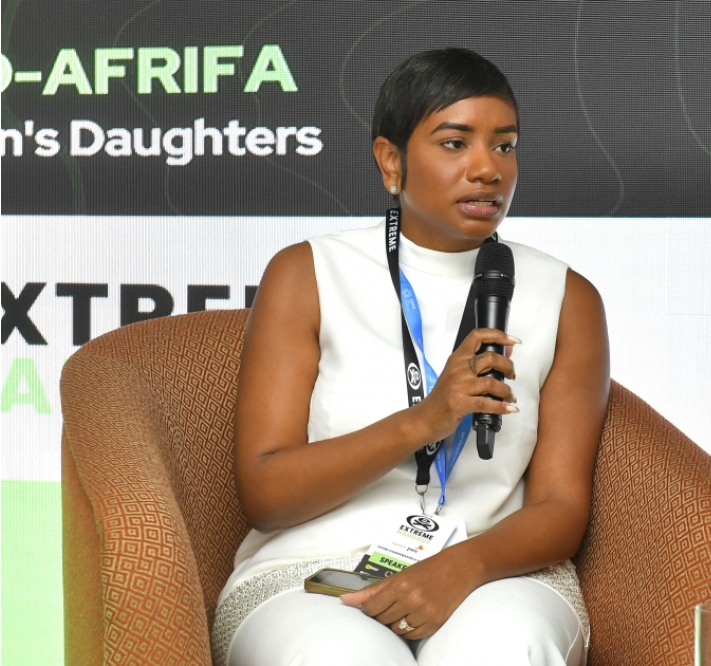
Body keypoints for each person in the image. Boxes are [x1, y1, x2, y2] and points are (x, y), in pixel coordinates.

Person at [212, 48, 610, 666]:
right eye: (455, 144)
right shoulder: (308, 272)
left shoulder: (566, 296)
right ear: (391, 161)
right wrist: (426, 419)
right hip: (310, 570)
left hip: (493, 568)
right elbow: (266, 493)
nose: (488, 169)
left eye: (504, 146)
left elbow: (561, 507)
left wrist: (462, 568)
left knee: (506, 648)